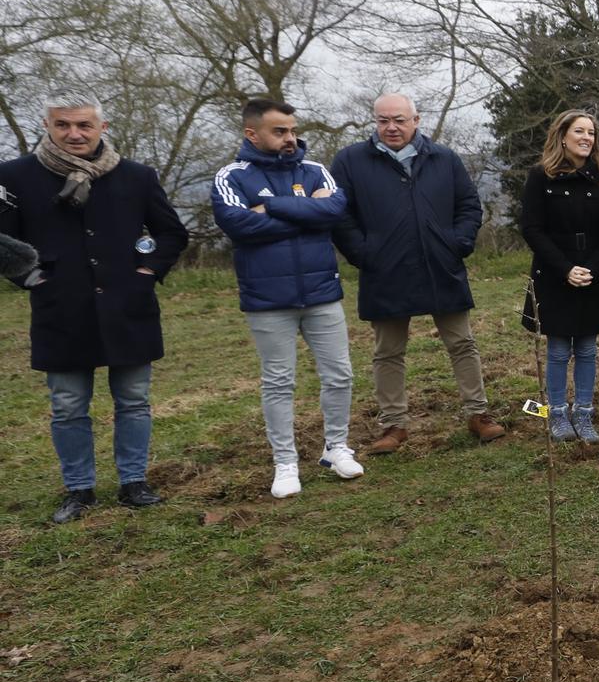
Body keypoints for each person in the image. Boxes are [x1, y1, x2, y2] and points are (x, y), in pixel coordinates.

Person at [0, 96, 189, 523]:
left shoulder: (137, 176)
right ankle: (79, 490)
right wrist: (32, 279)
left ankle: (134, 483)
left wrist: (145, 273)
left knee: (135, 401)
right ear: (47, 126)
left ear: (102, 127)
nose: (74, 134)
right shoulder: (15, 176)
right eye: (63, 125)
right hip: (59, 311)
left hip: (128, 307)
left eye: (84, 125)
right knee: (68, 405)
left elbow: (172, 233)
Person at [331, 93, 501, 451]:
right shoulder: (350, 161)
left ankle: (478, 414)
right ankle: (394, 426)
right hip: (385, 270)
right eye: (383, 121)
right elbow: (340, 215)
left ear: (416, 120)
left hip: (441, 264)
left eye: (399, 120)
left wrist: (458, 243)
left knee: (462, 343)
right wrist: (364, 253)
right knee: (388, 351)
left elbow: (469, 205)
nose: (391, 127)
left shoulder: (444, 158)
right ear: (374, 122)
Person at [212, 100, 364, 497]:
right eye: (279, 131)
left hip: (322, 293)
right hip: (268, 299)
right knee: (279, 382)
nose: (290, 138)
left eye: (292, 130)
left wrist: (273, 208)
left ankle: (336, 448)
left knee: (340, 374)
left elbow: (332, 209)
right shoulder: (232, 176)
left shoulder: (315, 170)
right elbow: (238, 224)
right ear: (252, 134)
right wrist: (304, 214)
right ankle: (285, 462)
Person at [519, 110, 599, 444]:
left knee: (589, 349)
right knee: (559, 350)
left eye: (591, 133)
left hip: (592, 273)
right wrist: (565, 269)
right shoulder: (541, 176)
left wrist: (593, 266)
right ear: (562, 135)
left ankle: (584, 414)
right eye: (579, 131)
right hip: (554, 274)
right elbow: (532, 228)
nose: (586, 138)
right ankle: (557, 415)